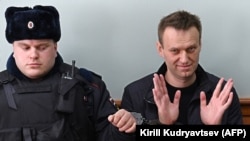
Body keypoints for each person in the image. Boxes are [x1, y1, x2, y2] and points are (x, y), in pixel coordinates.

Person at [0, 5, 136, 140]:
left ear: (55, 47)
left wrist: (123, 127)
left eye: (42, 47)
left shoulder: (88, 86)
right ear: (14, 50)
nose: (33, 55)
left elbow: (109, 135)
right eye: (25, 48)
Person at [121, 10, 243, 125]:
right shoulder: (134, 94)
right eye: (175, 50)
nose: (184, 59)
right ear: (160, 49)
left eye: (191, 49)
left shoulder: (224, 94)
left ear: (200, 45)